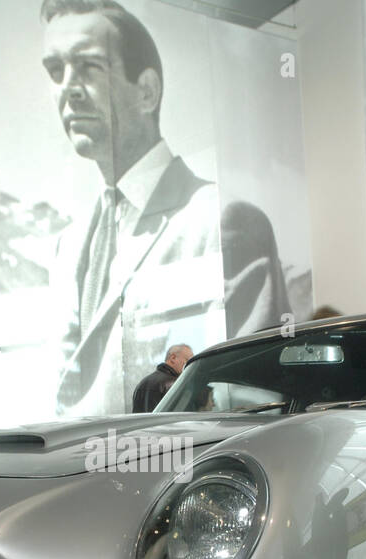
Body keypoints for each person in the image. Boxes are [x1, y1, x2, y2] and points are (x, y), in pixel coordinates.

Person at [41, 0, 289, 415]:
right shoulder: (69, 246)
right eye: (55, 71)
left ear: (147, 91)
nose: (67, 87)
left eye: (88, 67)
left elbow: (256, 398)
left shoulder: (223, 220)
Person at [131, 343, 191, 412]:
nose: (189, 365)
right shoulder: (175, 385)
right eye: (187, 360)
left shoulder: (142, 382)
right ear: (173, 358)